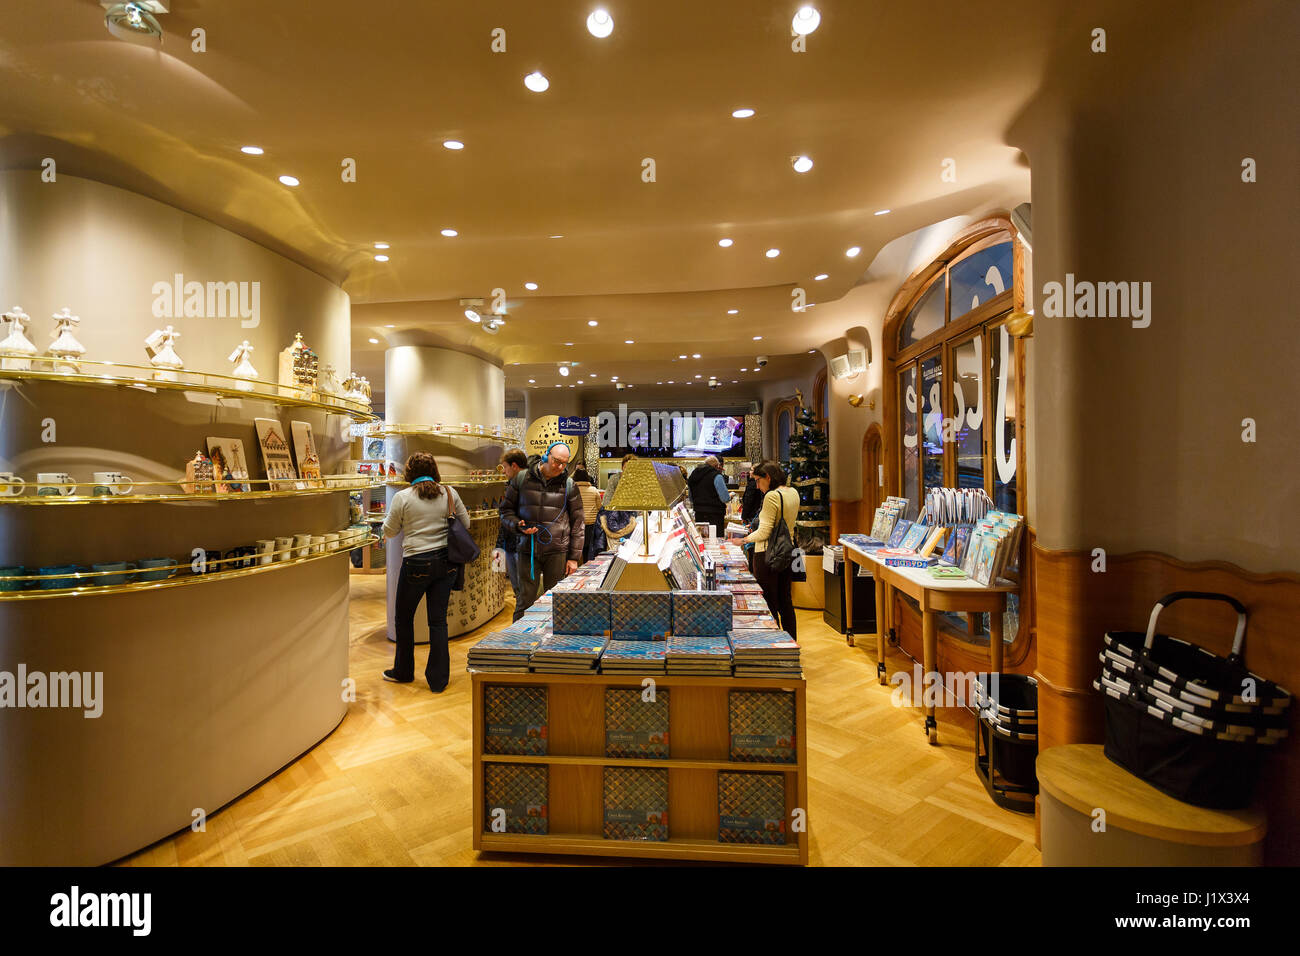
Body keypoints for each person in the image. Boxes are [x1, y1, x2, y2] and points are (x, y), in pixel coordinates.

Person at [381, 452, 471, 692]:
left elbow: (389, 531)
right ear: (435, 470)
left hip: (416, 564)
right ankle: (438, 680)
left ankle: (403, 671)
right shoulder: (450, 493)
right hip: (447, 562)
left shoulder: (402, 497)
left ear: (409, 473)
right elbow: (467, 524)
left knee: (404, 618)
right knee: (438, 621)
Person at [499, 441, 584, 620]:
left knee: (555, 602)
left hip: (557, 552)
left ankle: (552, 645)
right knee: (524, 601)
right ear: (546, 456)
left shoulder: (569, 485)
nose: (560, 467)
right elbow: (505, 512)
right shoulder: (521, 479)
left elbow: (578, 523)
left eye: (564, 463)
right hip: (527, 549)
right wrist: (517, 525)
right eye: (556, 461)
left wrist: (573, 558)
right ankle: (520, 643)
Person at [739, 462, 801, 639]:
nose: (757, 486)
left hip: (768, 554)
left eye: (758, 481)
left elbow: (765, 532)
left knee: (769, 603)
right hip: (787, 552)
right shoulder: (793, 492)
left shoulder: (772, 496)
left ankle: (774, 643)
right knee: (785, 601)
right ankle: (791, 643)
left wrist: (743, 539)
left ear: (768, 477)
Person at [495, 449, 528, 607]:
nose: (505, 472)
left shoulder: (530, 486)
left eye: (505, 467)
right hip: (511, 545)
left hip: (524, 545)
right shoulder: (511, 486)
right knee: (518, 590)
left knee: (525, 590)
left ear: (514, 466)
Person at [598, 453, 639, 550]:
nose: (628, 470)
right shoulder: (615, 479)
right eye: (626, 467)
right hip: (615, 521)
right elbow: (607, 502)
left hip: (633, 521)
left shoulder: (638, 481)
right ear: (622, 467)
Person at [687, 455, 730, 537]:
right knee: (716, 541)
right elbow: (725, 498)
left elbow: (691, 498)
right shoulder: (717, 476)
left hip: (699, 514)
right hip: (715, 515)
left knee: (702, 539)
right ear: (717, 466)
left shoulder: (693, 476)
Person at [572, 467, 601, 563]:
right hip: (591, 524)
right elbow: (599, 507)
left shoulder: (572, 490)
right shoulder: (594, 490)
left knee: (577, 547)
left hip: (576, 524)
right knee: (588, 549)